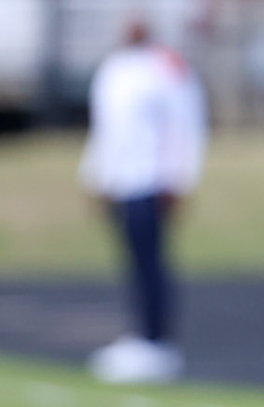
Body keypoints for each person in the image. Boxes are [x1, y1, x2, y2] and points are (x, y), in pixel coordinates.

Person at [80, 19, 207, 385]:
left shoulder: (166, 68)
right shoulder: (113, 69)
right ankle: (140, 336)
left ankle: (157, 340)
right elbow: (105, 128)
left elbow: (186, 125)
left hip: (152, 178)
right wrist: (95, 176)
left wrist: (181, 178)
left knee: (152, 261)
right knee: (132, 261)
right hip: (120, 181)